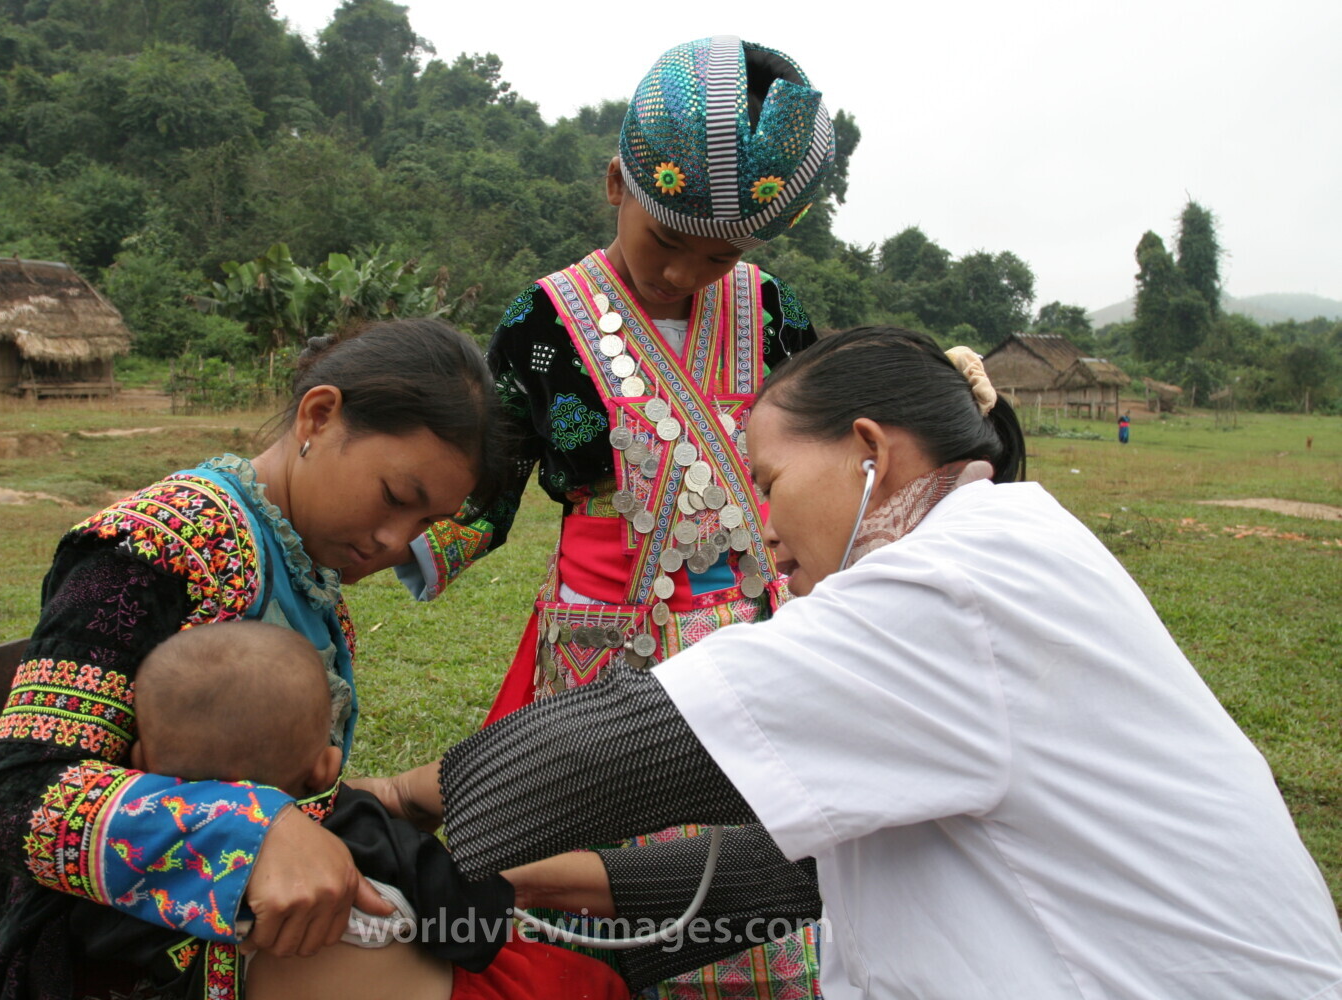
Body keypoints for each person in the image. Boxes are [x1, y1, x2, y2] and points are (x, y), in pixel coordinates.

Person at [380, 327, 1342, 999]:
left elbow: (614, 749)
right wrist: (531, 887)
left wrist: (387, 803)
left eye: (769, 482)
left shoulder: (951, 586)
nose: (763, 528)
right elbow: (789, 876)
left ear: (868, 452)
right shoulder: (1007, 545)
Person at [357, 36, 838, 998]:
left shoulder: (773, 311)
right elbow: (492, 479)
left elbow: (820, 453)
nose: (685, 275)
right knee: (594, 880)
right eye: (667, 243)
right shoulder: (540, 323)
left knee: (751, 868)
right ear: (617, 184)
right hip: (604, 643)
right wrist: (389, 543)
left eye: (719, 255)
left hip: (755, 632)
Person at [0, 319, 507, 1000]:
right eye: (396, 498)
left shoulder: (306, 571)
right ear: (319, 416)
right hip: (101, 960)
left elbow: (257, 780)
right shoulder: (156, 546)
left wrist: (384, 798)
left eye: (426, 524)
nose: (396, 542)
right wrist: (252, 833)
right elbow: (9, 802)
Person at [68, 620, 629, 1000]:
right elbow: (470, 928)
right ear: (325, 766)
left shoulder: (122, 861)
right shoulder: (360, 827)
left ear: (137, 761)